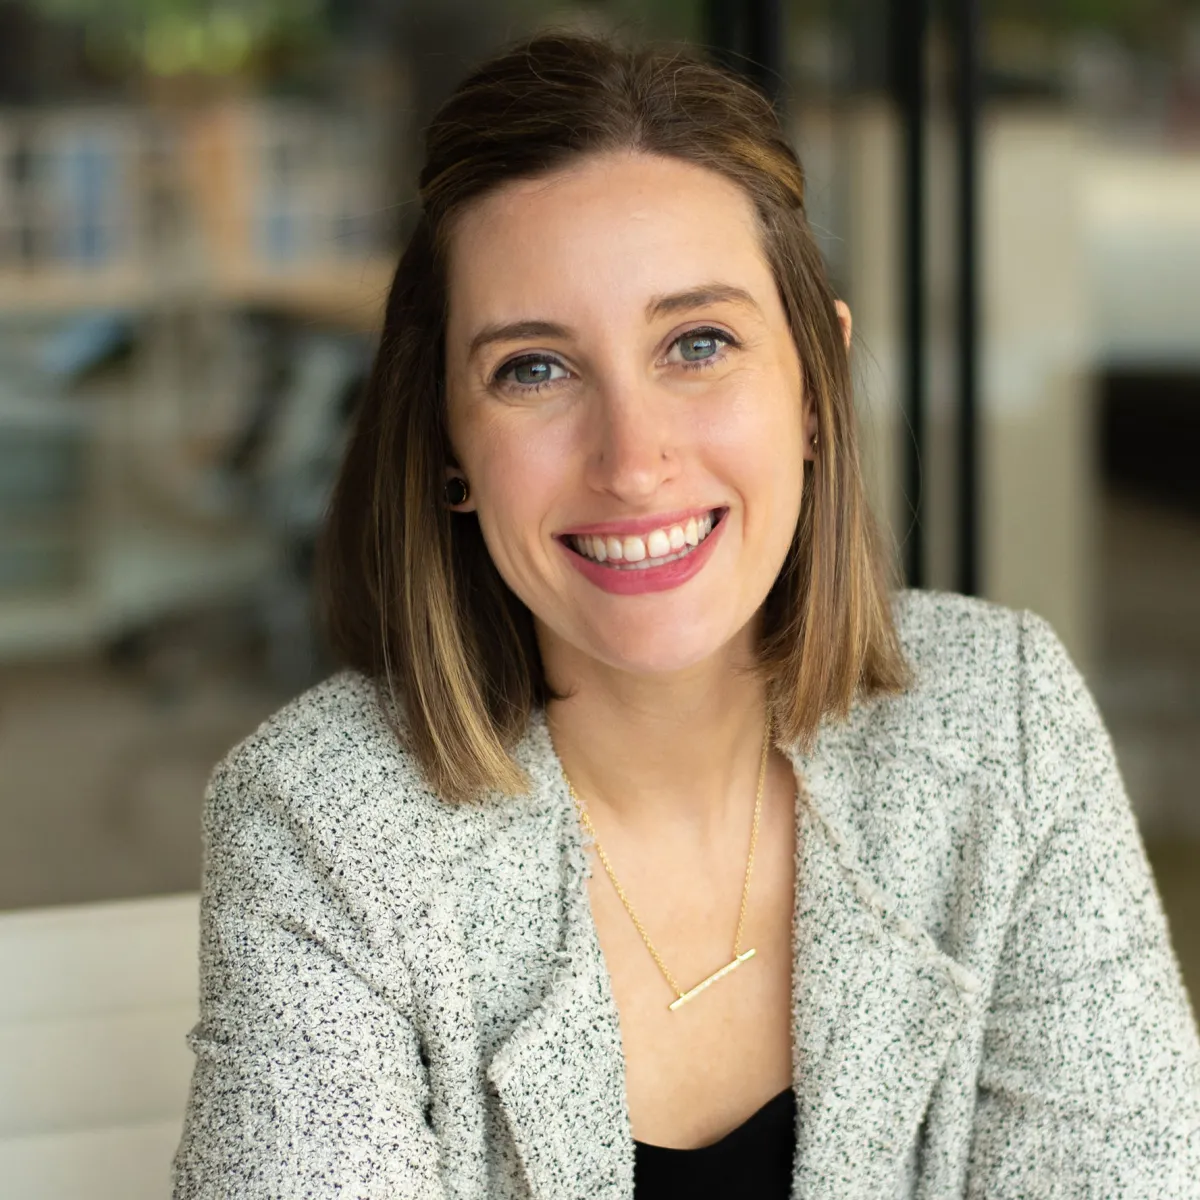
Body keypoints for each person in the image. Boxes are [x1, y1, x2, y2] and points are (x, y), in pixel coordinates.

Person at [172, 31, 1200, 1200]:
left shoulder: (1003, 724)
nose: (635, 461)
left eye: (698, 344)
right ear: (448, 445)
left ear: (816, 387)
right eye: (534, 370)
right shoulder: (324, 826)